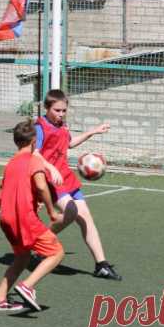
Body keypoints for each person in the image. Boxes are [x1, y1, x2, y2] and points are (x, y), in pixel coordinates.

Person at [34, 89, 122, 281]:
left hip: (66, 177)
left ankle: (101, 265)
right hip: (51, 180)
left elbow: (70, 143)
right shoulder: (40, 127)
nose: (61, 114)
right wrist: (50, 167)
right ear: (47, 108)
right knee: (72, 211)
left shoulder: (62, 126)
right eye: (57, 110)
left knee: (86, 218)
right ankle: (43, 242)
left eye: (64, 110)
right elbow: (35, 154)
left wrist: (93, 131)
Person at [0, 119, 64, 312]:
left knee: (22, 258)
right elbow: (41, 186)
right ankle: (27, 286)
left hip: (6, 219)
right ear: (33, 142)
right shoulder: (34, 159)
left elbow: (3, 192)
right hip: (24, 219)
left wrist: (26, 203)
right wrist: (51, 210)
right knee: (56, 252)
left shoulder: (11, 163)